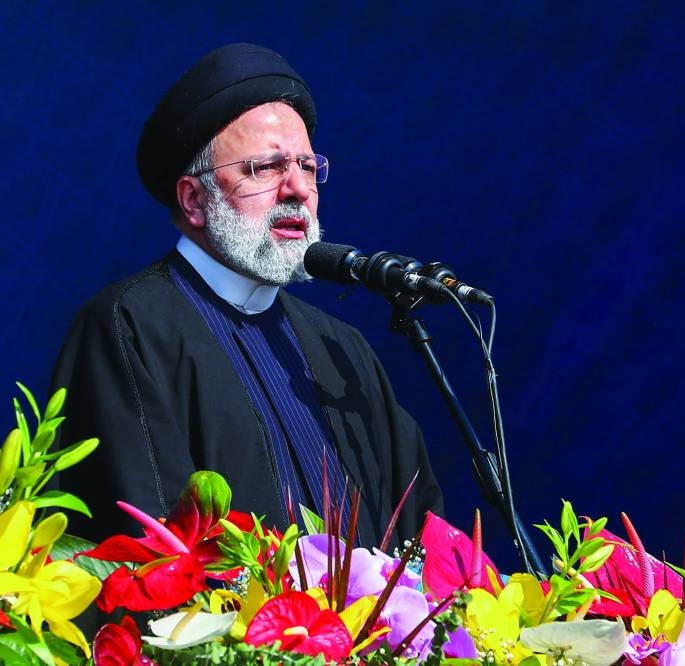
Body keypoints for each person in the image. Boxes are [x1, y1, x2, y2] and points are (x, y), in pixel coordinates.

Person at [50, 43, 443, 547]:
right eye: (266, 167)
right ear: (194, 199)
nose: (298, 189)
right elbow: (145, 544)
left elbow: (418, 535)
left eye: (307, 166)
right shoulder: (129, 328)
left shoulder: (341, 348)